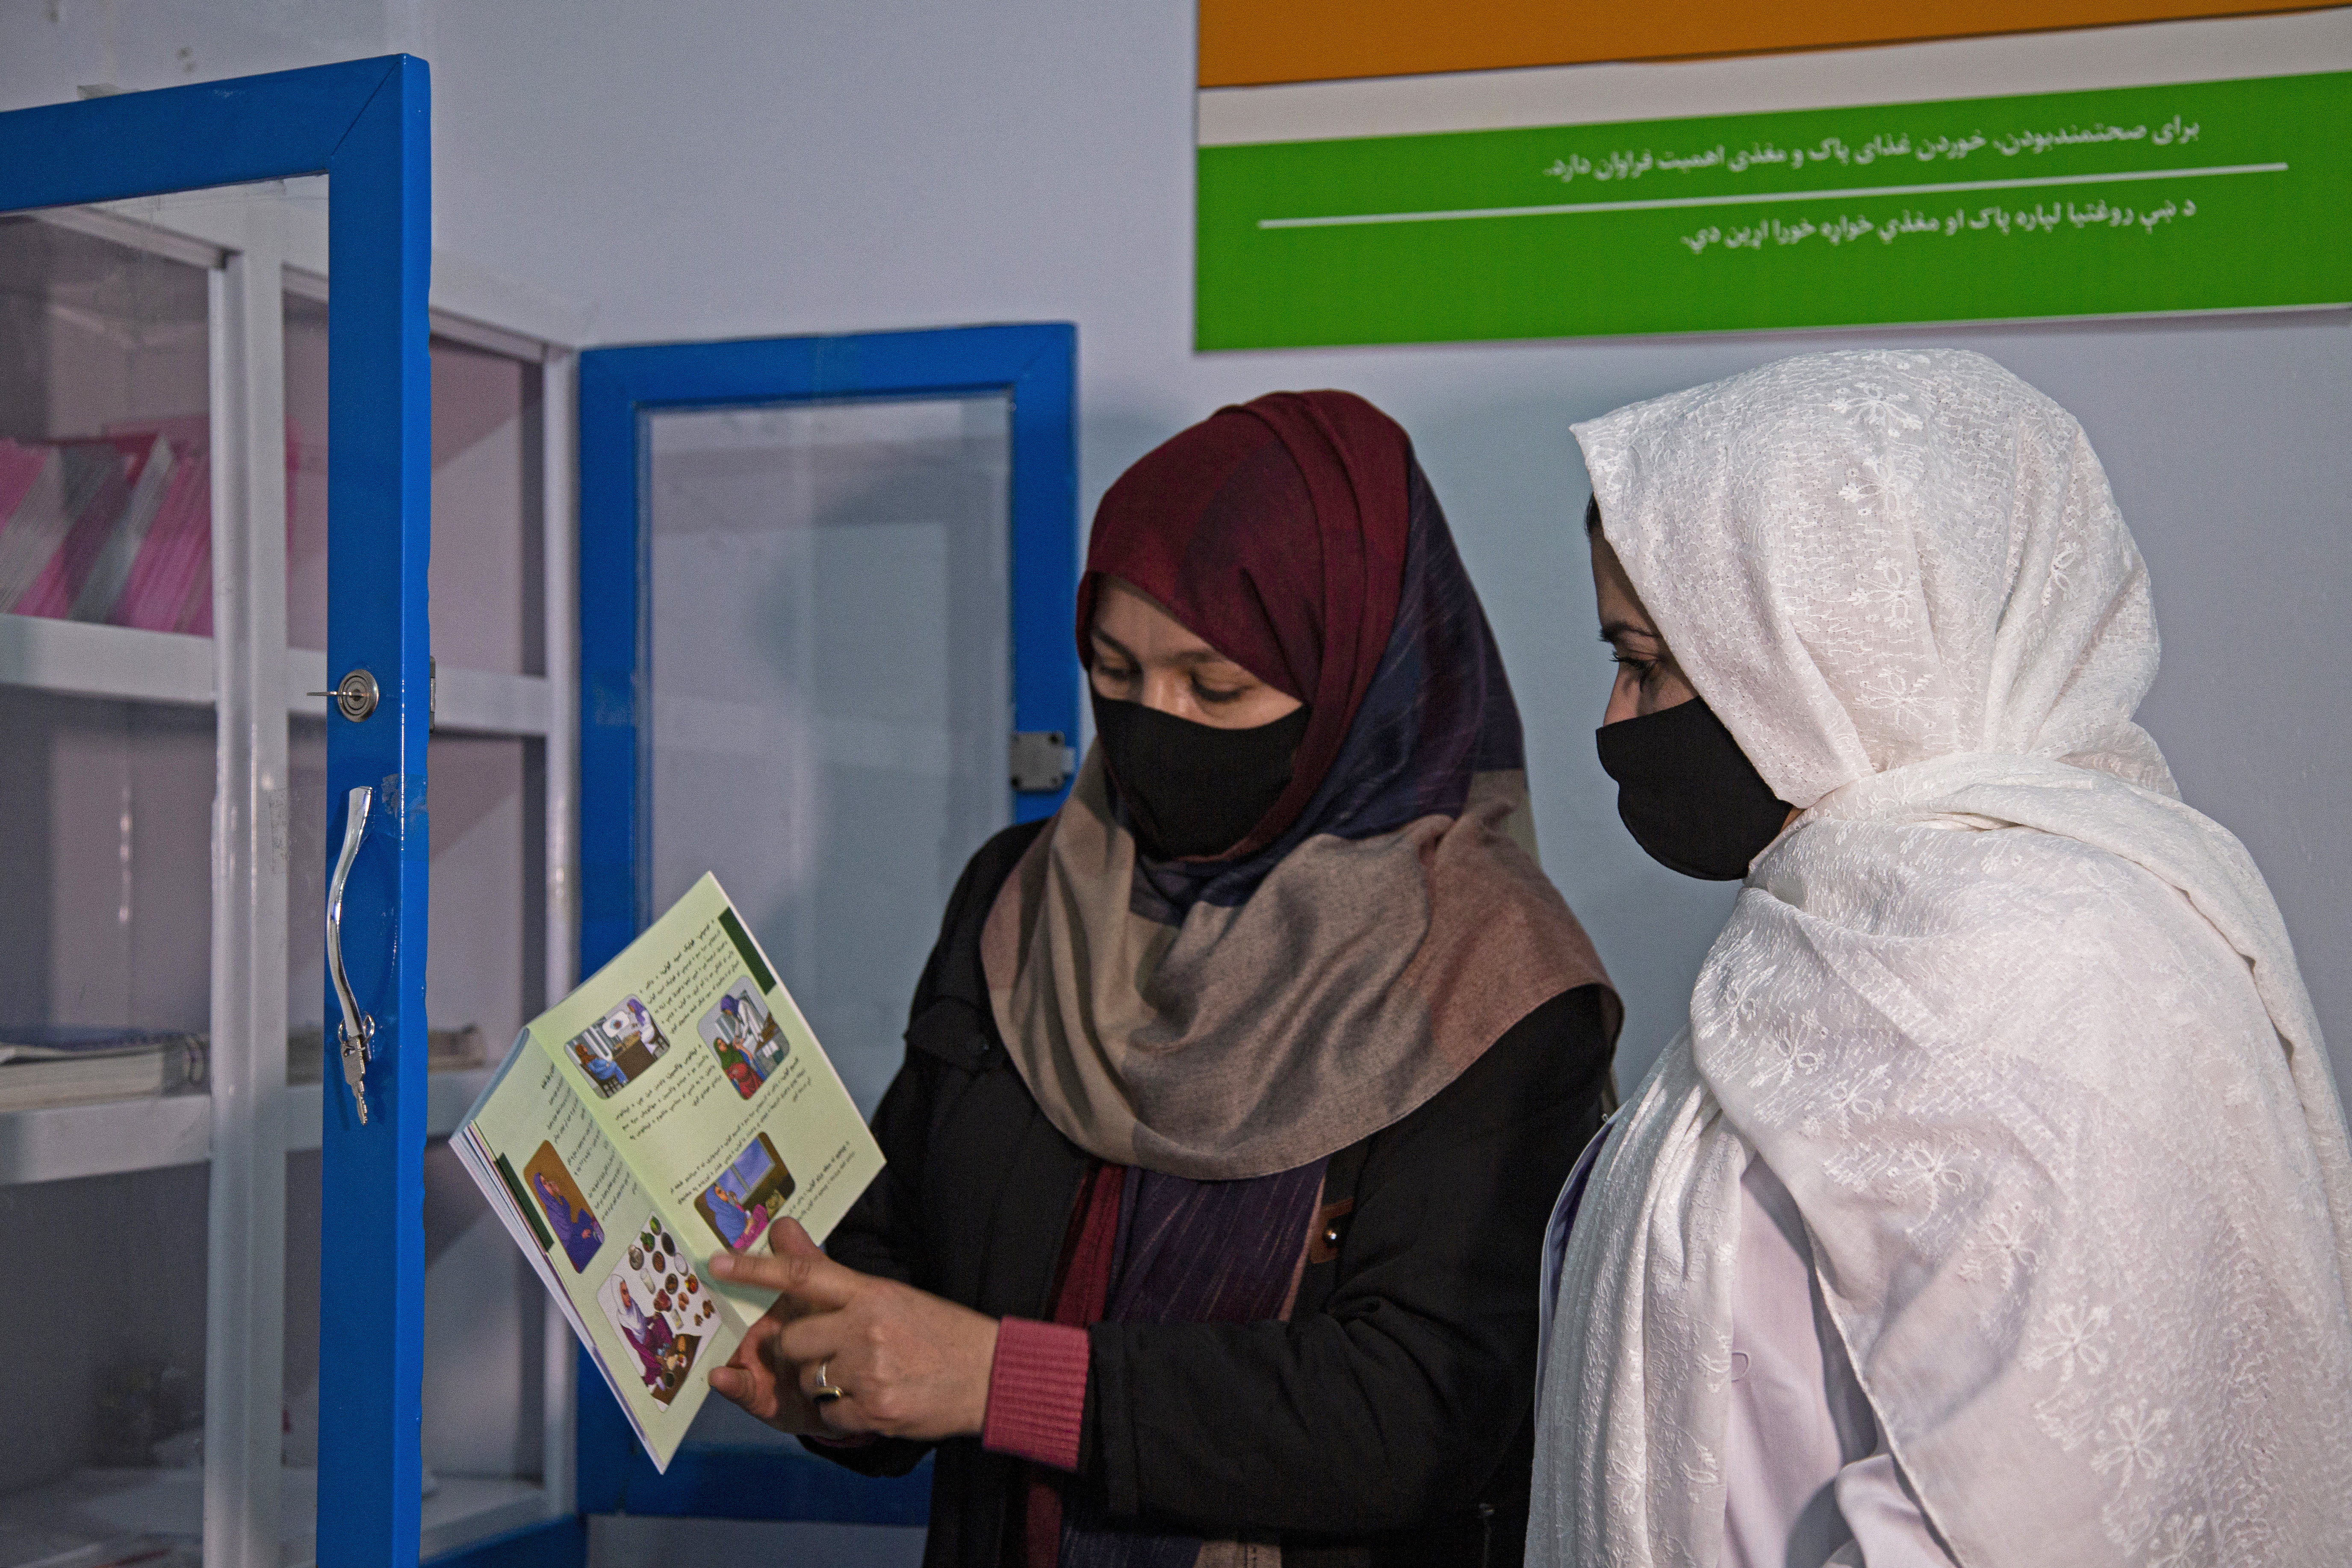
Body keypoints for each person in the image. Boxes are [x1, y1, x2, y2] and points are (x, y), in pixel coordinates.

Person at [706, 390, 1622, 1565]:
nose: (1155, 722)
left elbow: (1420, 1411)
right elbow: (903, 1249)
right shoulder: (1020, 896)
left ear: (1360, 676)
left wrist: (996, 1379)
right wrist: (831, 1372)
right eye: (1115, 670)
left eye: (1216, 687)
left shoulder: (1489, 970)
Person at [1533, 350, 2352, 1566]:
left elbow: (2029, 1504)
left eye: (1646, 662)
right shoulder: (1818, 936)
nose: (1614, 720)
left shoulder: (2059, 965)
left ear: (1831, 645)